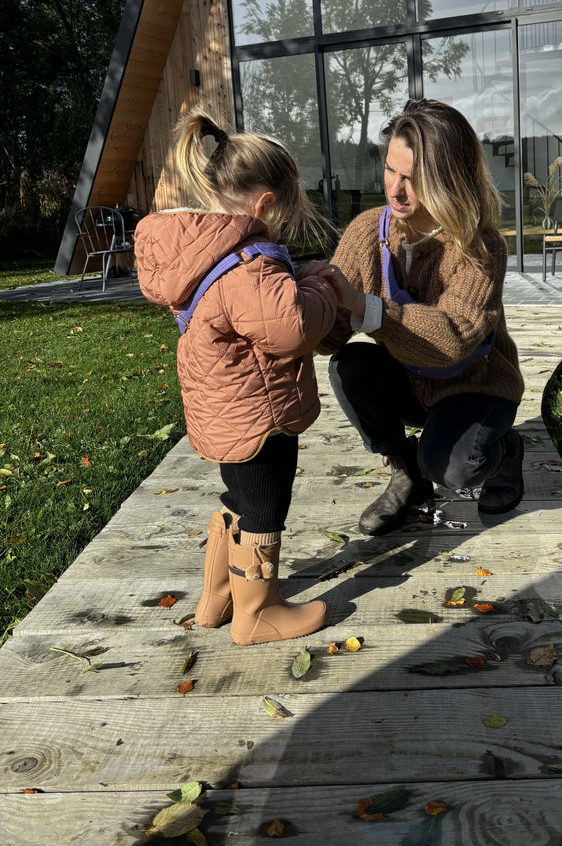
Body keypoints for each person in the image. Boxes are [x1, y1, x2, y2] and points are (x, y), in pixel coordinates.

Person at [134, 108, 338, 645]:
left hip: (225, 409)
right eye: (285, 214)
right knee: (265, 507)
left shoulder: (204, 253)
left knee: (239, 498)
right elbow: (291, 328)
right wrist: (321, 287)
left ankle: (218, 597)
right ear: (264, 204)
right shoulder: (251, 263)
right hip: (260, 414)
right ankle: (257, 614)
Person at [319, 98, 525, 536]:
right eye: (390, 170)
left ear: (449, 179)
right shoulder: (367, 231)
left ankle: (504, 451)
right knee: (347, 366)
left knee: (454, 469)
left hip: (477, 386)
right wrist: (302, 309)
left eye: (412, 179)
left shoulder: (481, 246)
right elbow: (331, 335)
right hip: (411, 380)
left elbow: (453, 338)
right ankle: (406, 473)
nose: (394, 190)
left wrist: (364, 306)